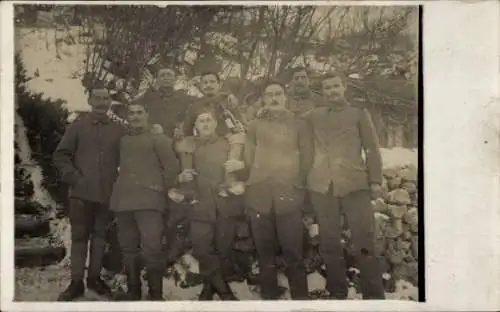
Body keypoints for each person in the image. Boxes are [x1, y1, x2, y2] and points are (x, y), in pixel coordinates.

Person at [304, 72, 385, 300]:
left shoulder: (359, 114)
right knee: (329, 242)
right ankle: (337, 292)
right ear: (322, 92)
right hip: (323, 187)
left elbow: (372, 149)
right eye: (327, 88)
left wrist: (375, 180)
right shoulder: (313, 116)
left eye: (335, 86)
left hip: (355, 185)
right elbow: (291, 123)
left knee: (364, 241)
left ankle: (374, 296)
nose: (332, 91)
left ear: (344, 88)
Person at [53, 87, 124, 301]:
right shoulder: (77, 126)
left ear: (110, 102)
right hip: (81, 195)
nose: (102, 103)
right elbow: (61, 155)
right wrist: (74, 178)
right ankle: (76, 283)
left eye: (106, 99)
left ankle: (94, 279)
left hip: (106, 194)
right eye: (98, 98)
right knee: (79, 238)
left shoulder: (118, 129)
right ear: (90, 100)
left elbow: (127, 156)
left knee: (100, 238)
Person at [243, 81, 312, 300]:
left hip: (288, 195)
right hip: (260, 196)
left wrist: (296, 184)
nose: (274, 98)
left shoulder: (299, 124)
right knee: (264, 253)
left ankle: (301, 300)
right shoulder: (255, 125)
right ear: (263, 99)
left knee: (293, 253)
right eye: (269, 94)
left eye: (278, 94)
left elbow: (307, 157)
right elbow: (248, 157)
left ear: (285, 97)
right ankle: (269, 298)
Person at [109, 103, 179, 301]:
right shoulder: (122, 141)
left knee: (152, 248)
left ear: (147, 114)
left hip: (149, 203)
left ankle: (156, 294)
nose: (135, 116)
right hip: (124, 202)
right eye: (131, 113)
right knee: (128, 248)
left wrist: (157, 188)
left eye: (140, 112)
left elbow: (172, 168)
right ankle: (133, 291)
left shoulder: (159, 139)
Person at [177, 108, 244, 300]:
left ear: (216, 124)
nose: (205, 124)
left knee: (223, 248)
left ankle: (209, 286)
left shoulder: (227, 143)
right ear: (196, 126)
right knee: (201, 248)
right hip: (200, 205)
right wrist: (180, 177)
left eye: (209, 120)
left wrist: (240, 168)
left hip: (225, 203)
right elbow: (175, 171)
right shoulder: (189, 146)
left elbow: (244, 165)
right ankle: (223, 290)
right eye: (201, 121)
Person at [178, 71, 245, 199]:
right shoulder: (195, 106)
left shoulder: (228, 101)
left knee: (238, 138)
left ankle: (229, 181)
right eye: (205, 82)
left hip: (226, 139)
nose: (209, 85)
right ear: (201, 86)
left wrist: (238, 127)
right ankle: (188, 185)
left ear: (219, 84)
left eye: (212, 82)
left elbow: (240, 122)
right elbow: (187, 129)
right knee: (185, 142)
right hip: (204, 140)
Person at [136, 65, 194, 139]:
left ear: (175, 79)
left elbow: (191, 117)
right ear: (157, 79)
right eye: (162, 75)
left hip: (177, 139)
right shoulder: (148, 98)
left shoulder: (184, 98)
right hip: (153, 138)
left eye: (169, 75)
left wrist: (182, 127)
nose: (166, 78)